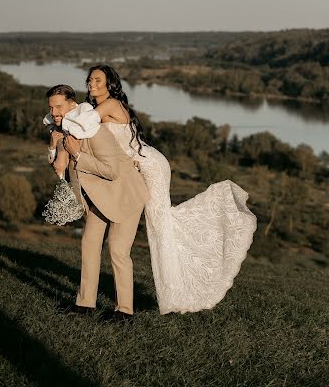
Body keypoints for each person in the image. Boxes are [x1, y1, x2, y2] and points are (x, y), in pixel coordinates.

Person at [84, 64, 257, 315]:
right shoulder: (100, 106)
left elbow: (84, 125)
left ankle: (183, 289)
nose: (92, 83)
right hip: (137, 167)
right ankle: (173, 290)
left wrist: (54, 119)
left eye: (98, 79)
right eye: (90, 79)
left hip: (150, 166)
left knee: (160, 224)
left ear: (110, 84)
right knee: (161, 225)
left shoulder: (109, 104)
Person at [45, 84, 149, 321]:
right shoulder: (64, 133)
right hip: (98, 200)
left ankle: (124, 312)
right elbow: (59, 170)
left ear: (73, 105)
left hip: (125, 196)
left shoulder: (95, 131)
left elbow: (111, 171)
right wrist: (54, 145)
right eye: (51, 108)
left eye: (59, 106)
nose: (54, 112)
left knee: (117, 251)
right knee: (89, 245)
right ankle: (85, 305)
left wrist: (79, 155)